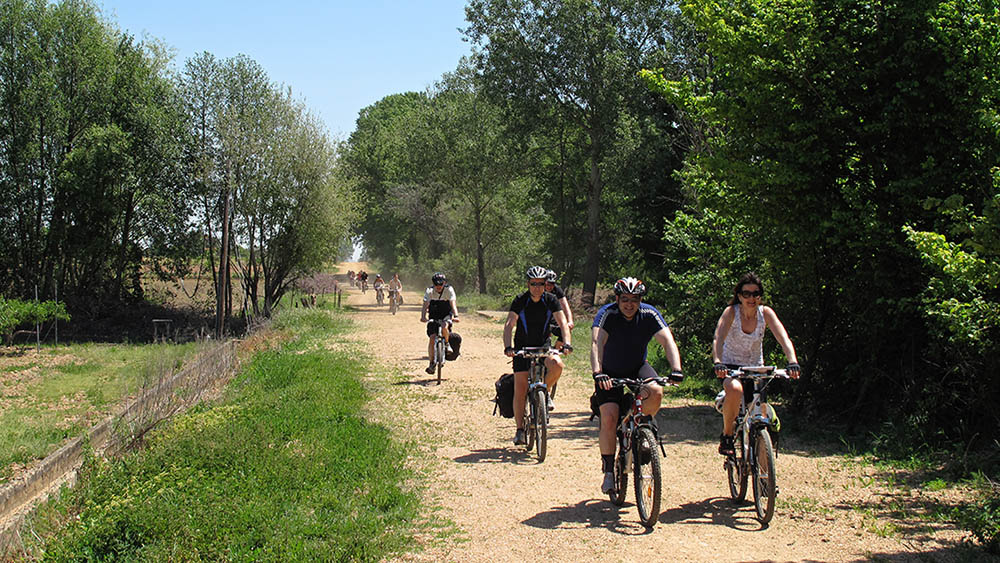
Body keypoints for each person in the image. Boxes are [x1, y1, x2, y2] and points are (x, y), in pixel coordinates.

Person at [591, 277, 683, 494]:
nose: (629, 304)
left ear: (641, 300)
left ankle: (641, 424)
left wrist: (676, 369)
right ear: (617, 299)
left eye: (634, 299)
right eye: (624, 299)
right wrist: (598, 373)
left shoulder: (649, 314)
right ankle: (608, 472)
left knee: (656, 391)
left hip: (637, 367)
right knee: (610, 416)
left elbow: (668, 341)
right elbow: (597, 343)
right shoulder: (608, 314)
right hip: (609, 372)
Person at [712, 272, 800, 456]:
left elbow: (783, 338)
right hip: (731, 367)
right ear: (739, 296)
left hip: (756, 369)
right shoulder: (731, 313)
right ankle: (727, 436)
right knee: (735, 390)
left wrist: (792, 361)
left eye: (756, 294)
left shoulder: (765, 313)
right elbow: (718, 338)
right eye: (747, 294)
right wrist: (718, 362)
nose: (751, 298)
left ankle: (766, 479)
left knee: (761, 419)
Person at [503, 266, 573, 445]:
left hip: (543, 346)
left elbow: (563, 322)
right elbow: (510, 324)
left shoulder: (550, 300)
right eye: (533, 284)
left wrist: (567, 343)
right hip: (522, 348)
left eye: (541, 284)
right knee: (520, 389)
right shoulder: (521, 300)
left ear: (545, 284)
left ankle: (545, 391)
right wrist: (508, 347)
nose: (537, 287)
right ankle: (519, 429)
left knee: (557, 365)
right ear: (528, 284)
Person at [420, 272, 459, 374]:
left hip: (446, 313)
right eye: (436, 284)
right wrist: (423, 316)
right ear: (433, 284)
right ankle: (432, 363)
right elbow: (425, 305)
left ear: (444, 283)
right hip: (434, 314)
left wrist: (456, 316)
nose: (438, 287)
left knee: (444, 326)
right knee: (432, 338)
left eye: (440, 284)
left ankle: (447, 344)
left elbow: (453, 304)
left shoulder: (449, 290)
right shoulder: (429, 291)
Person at [544, 269, 574, 348]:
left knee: (566, 330)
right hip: (541, 317)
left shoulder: (557, 290)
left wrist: (570, 321)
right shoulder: (538, 290)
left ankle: (556, 349)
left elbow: (565, 306)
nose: (549, 287)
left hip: (554, 316)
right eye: (547, 284)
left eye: (552, 284)